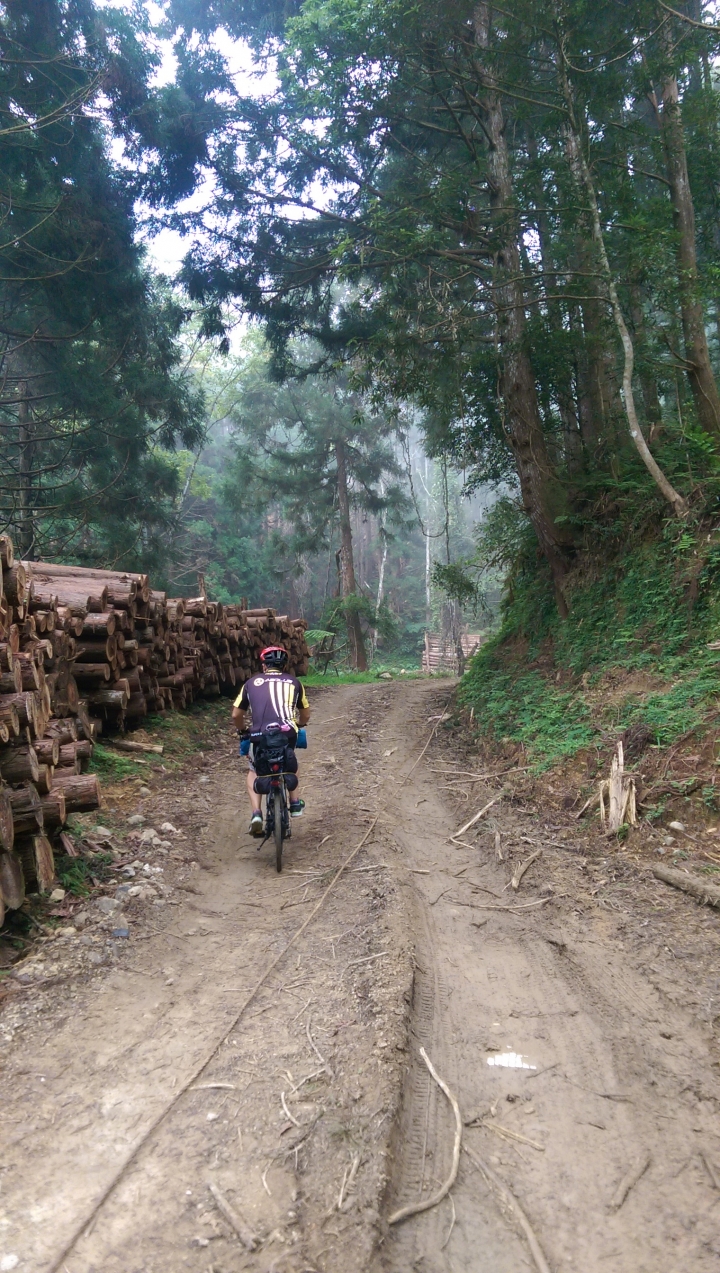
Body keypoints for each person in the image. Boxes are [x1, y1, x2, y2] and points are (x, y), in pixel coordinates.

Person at [231, 645, 311, 837]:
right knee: (290, 761)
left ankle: (257, 814)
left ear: (264, 666)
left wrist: (243, 730)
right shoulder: (295, 683)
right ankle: (294, 803)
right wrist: (299, 725)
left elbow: (236, 715)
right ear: (284, 666)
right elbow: (305, 715)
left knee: (254, 770)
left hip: (260, 736)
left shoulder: (251, 683)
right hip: (287, 734)